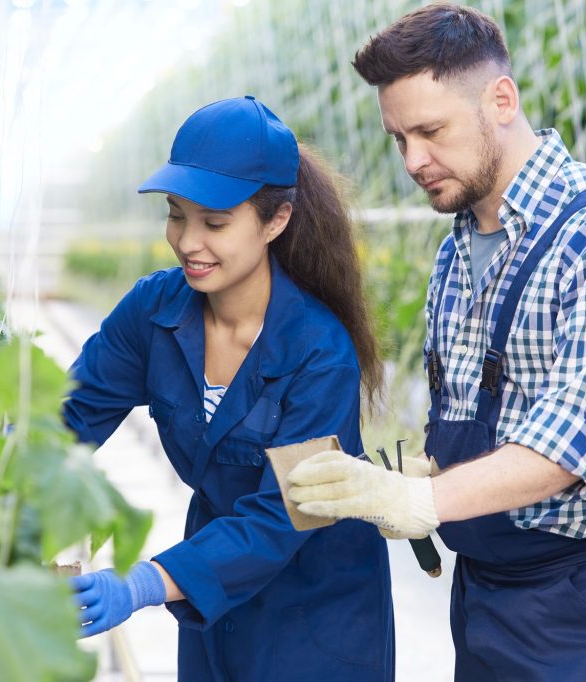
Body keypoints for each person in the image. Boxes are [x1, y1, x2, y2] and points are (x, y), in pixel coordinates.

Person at [286, 4, 586, 681]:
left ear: (501, 100)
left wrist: (416, 502)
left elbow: (578, 436)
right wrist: (427, 471)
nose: (414, 160)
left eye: (430, 131)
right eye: (398, 139)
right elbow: (481, 404)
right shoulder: (459, 251)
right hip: (486, 585)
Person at [63, 95, 394, 681]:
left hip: (314, 615)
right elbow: (71, 414)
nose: (189, 241)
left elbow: (282, 515)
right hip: (214, 608)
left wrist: (145, 583)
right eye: (176, 215)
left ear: (275, 221)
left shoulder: (320, 351)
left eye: (214, 223)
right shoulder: (155, 311)